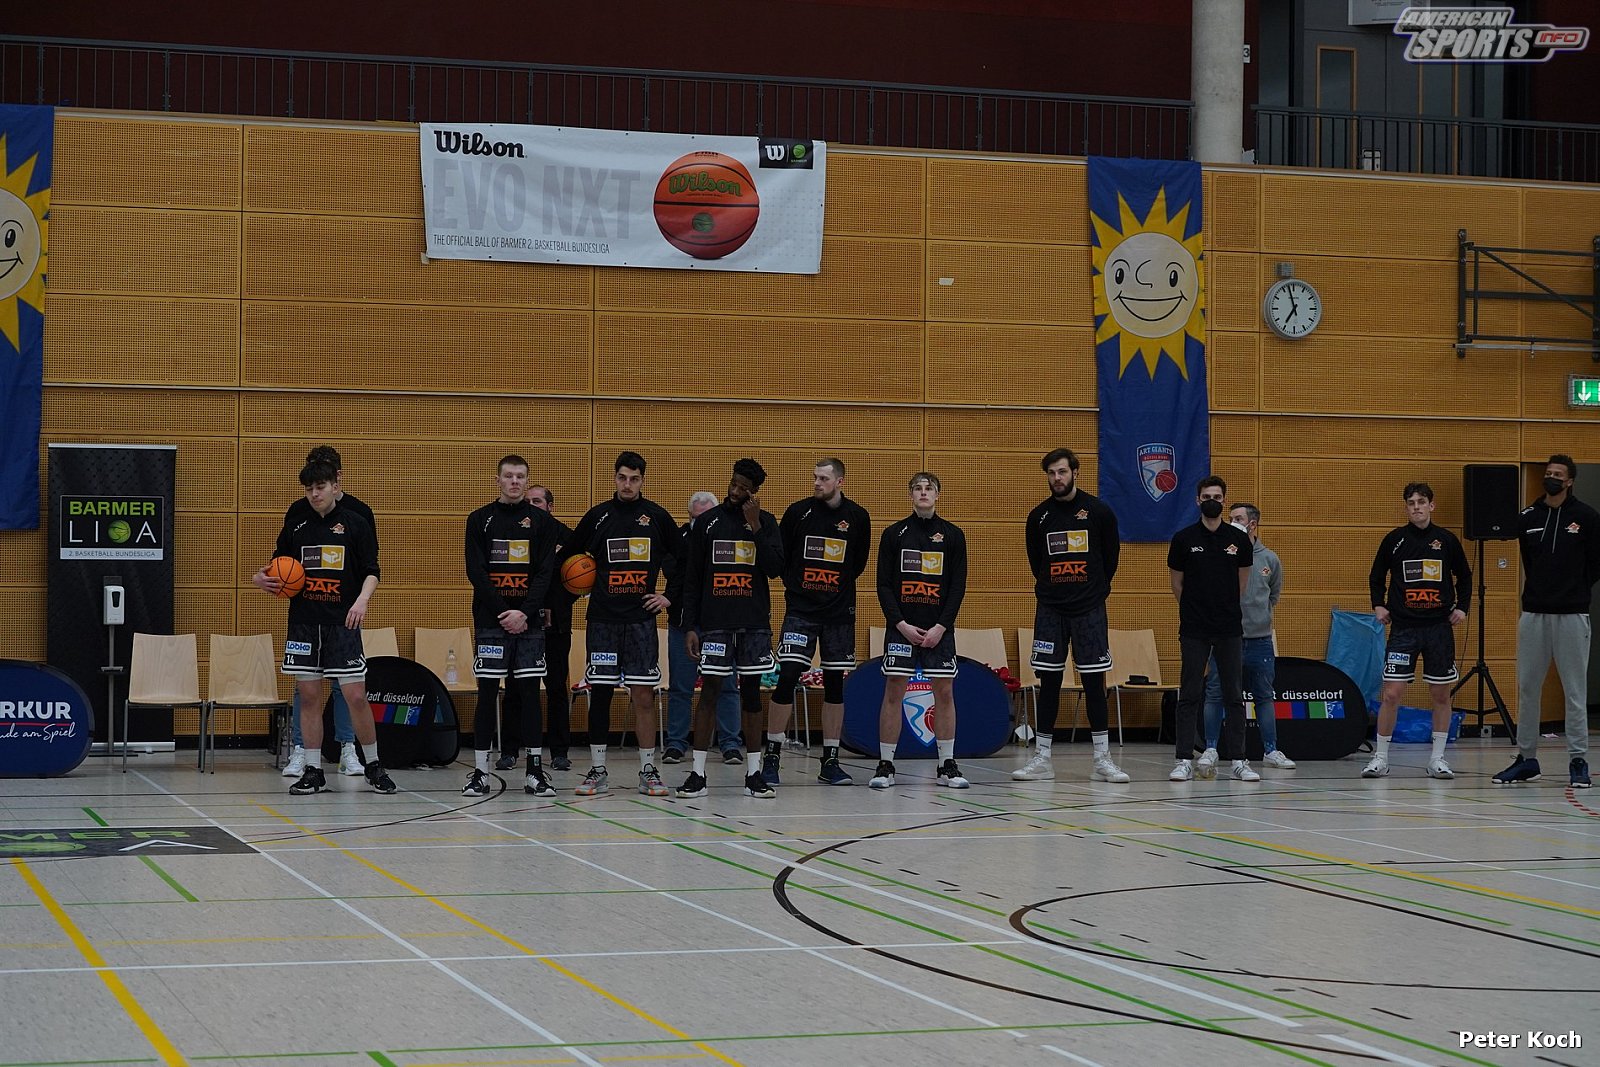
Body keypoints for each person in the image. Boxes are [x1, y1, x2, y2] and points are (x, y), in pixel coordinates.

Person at [265, 456, 395, 795]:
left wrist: (362, 600)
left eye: (320, 487)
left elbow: (372, 571)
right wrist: (261, 579)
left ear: (336, 486)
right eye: (309, 489)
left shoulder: (356, 523)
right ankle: (313, 769)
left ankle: (373, 764)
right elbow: (278, 566)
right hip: (305, 624)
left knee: (355, 695)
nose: (314, 494)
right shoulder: (296, 525)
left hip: (342, 622)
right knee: (308, 696)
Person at [559, 451, 680, 798]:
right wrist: (575, 588)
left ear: (643, 480)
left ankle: (648, 770)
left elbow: (684, 561)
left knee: (643, 695)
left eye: (634, 479)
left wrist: (669, 596)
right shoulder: (598, 517)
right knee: (600, 694)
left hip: (641, 622)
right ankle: (598, 771)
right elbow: (567, 556)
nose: (628, 484)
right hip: (603, 621)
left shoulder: (657, 517)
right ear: (614, 478)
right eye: (622, 478)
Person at [1012, 448, 1128, 784]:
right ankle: (1042, 758)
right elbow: (1037, 563)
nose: (1057, 478)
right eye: (1051, 473)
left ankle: (1102, 759)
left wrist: (1092, 592)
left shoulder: (1099, 512)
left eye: (1062, 471)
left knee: (1094, 682)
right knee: (1048, 681)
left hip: (1089, 609)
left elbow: (1110, 559)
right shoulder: (1039, 517)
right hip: (1051, 610)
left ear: (1075, 472)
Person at [676, 458, 784, 798]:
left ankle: (754, 774)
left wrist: (756, 526)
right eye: (734, 484)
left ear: (755, 492)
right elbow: (692, 579)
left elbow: (775, 568)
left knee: (751, 695)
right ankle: (697, 774)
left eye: (744, 488)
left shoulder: (767, 522)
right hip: (715, 625)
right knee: (709, 692)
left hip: (753, 625)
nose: (736, 491)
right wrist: (690, 626)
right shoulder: (707, 522)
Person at [1494, 455, 1600, 788]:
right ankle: (1527, 759)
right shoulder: (1528, 517)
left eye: (1558, 474)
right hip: (1534, 614)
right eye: (1549, 473)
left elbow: (1596, 563)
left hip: (1572, 615)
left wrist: (1574, 589)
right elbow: (1528, 558)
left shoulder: (1587, 517)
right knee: (1528, 688)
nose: (1552, 477)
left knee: (1574, 691)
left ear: (1570, 481)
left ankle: (1578, 760)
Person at [461, 456, 562, 799]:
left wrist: (524, 612)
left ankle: (534, 772)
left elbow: (545, 574)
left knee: (531, 693)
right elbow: (476, 572)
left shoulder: (542, 522)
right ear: (498, 480)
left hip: (529, 624)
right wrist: (505, 612)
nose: (515, 481)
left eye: (520, 476)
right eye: (509, 476)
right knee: (487, 693)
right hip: (491, 621)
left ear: (526, 480)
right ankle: (480, 773)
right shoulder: (479, 519)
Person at [767, 458, 872, 786]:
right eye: (815, 477)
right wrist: (800, 589)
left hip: (839, 614)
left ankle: (830, 760)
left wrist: (831, 590)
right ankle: (772, 756)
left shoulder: (858, 517)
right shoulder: (797, 512)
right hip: (801, 612)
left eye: (824, 478)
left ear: (840, 481)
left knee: (835, 684)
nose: (817, 483)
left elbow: (857, 564)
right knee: (787, 677)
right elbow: (782, 558)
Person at [1364, 482, 1472, 780]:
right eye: (1411, 503)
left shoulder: (1447, 540)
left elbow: (1464, 577)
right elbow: (1376, 576)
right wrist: (1378, 605)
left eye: (1421, 502)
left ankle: (1437, 759)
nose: (1416, 507)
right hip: (1404, 629)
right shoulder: (1394, 540)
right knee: (1391, 694)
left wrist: (1462, 608)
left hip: (1438, 629)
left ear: (1431, 505)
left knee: (1440, 694)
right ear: (1406, 508)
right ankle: (1380, 758)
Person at [870, 472, 969, 790]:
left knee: (944, 693)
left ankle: (947, 764)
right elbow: (883, 586)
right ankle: (886, 765)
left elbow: (957, 588)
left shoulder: (953, 535)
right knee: (893, 692)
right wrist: (900, 624)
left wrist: (941, 627)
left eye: (929, 488)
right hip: (901, 629)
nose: (923, 493)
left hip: (939, 630)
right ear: (910, 495)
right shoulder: (893, 534)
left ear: (938, 495)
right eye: (917, 488)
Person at [1166, 475, 1258, 783]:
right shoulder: (1183, 538)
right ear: (1198, 500)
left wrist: (1223, 608)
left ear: (1224, 501)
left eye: (1217, 497)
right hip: (1194, 628)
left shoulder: (1238, 540)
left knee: (1233, 694)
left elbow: (1242, 583)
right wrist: (1195, 610)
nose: (1212, 502)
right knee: (1190, 692)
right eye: (1206, 497)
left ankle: (1239, 760)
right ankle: (1183, 759)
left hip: (1228, 628)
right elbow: (1177, 584)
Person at [1200, 502, 1295, 771]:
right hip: (1225, 638)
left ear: (1252, 524)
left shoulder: (1270, 559)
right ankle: (1210, 748)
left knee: (1263, 695)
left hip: (1260, 641)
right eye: (1230, 518)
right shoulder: (1222, 554)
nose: (1231, 522)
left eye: (1238, 518)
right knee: (1215, 693)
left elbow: (1273, 596)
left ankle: (1271, 750)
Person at [497, 484, 579, 774]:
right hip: (521, 623)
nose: (532, 506)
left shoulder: (566, 538)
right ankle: (509, 751)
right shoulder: (515, 532)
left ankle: (559, 752)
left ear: (550, 506)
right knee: (515, 687)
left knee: (556, 688)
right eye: (529, 501)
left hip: (556, 625)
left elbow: (581, 579)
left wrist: (558, 604)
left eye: (538, 501)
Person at [662, 491, 743, 766]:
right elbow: (674, 574)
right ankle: (676, 744)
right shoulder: (678, 539)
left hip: (721, 624)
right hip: (683, 624)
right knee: (680, 687)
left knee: (727, 685)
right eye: (696, 517)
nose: (701, 522)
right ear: (689, 517)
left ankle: (730, 744)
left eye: (706, 517)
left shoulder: (729, 538)